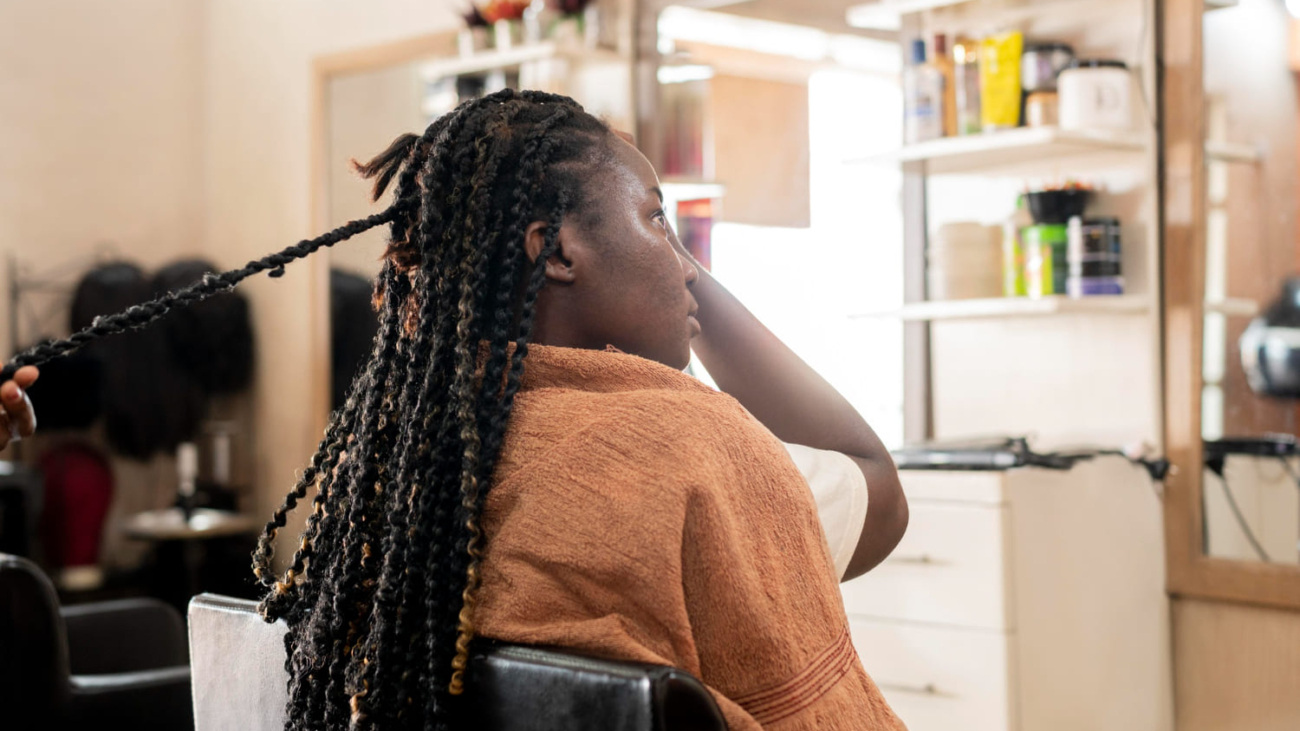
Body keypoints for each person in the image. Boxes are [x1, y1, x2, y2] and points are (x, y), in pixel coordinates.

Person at [0, 89, 907, 730]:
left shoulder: (402, 458)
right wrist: (677, 282)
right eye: (659, 219)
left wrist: (634, 241)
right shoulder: (692, 452)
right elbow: (875, 484)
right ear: (553, 250)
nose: (681, 259)